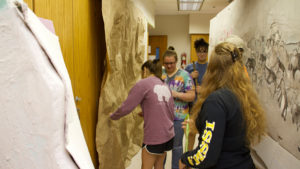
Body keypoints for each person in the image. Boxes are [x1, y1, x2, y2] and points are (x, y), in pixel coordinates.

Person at [179, 42, 266, 169]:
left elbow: (205, 157)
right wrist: (200, 125)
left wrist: (185, 159)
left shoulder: (216, 101)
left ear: (213, 69)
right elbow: (229, 131)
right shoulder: (242, 95)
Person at [110, 59, 175, 169]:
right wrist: (147, 112)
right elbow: (168, 109)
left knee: (146, 167)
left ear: (145, 70)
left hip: (155, 135)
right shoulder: (165, 85)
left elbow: (127, 106)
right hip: (168, 134)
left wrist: (113, 115)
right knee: (159, 165)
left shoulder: (143, 84)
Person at [161, 50, 195, 169]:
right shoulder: (160, 74)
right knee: (161, 147)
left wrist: (176, 94)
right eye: (166, 63)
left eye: (171, 63)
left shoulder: (185, 75)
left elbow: (192, 96)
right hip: (161, 118)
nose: (169, 66)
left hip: (179, 118)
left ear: (176, 62)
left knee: (177, 147)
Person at [184, 38, 209, 150]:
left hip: (207, 105)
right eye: (199, 51)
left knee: (205, 134)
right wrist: (190, 77)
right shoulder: (189, 67)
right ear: (196, 51)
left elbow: (217, 86)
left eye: (204, 51)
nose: (202, 54)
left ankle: (202, 159)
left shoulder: (211, 67)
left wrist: (204, 90)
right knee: (191, 133)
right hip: (192, 107)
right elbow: (182, 87)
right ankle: (188, 160)